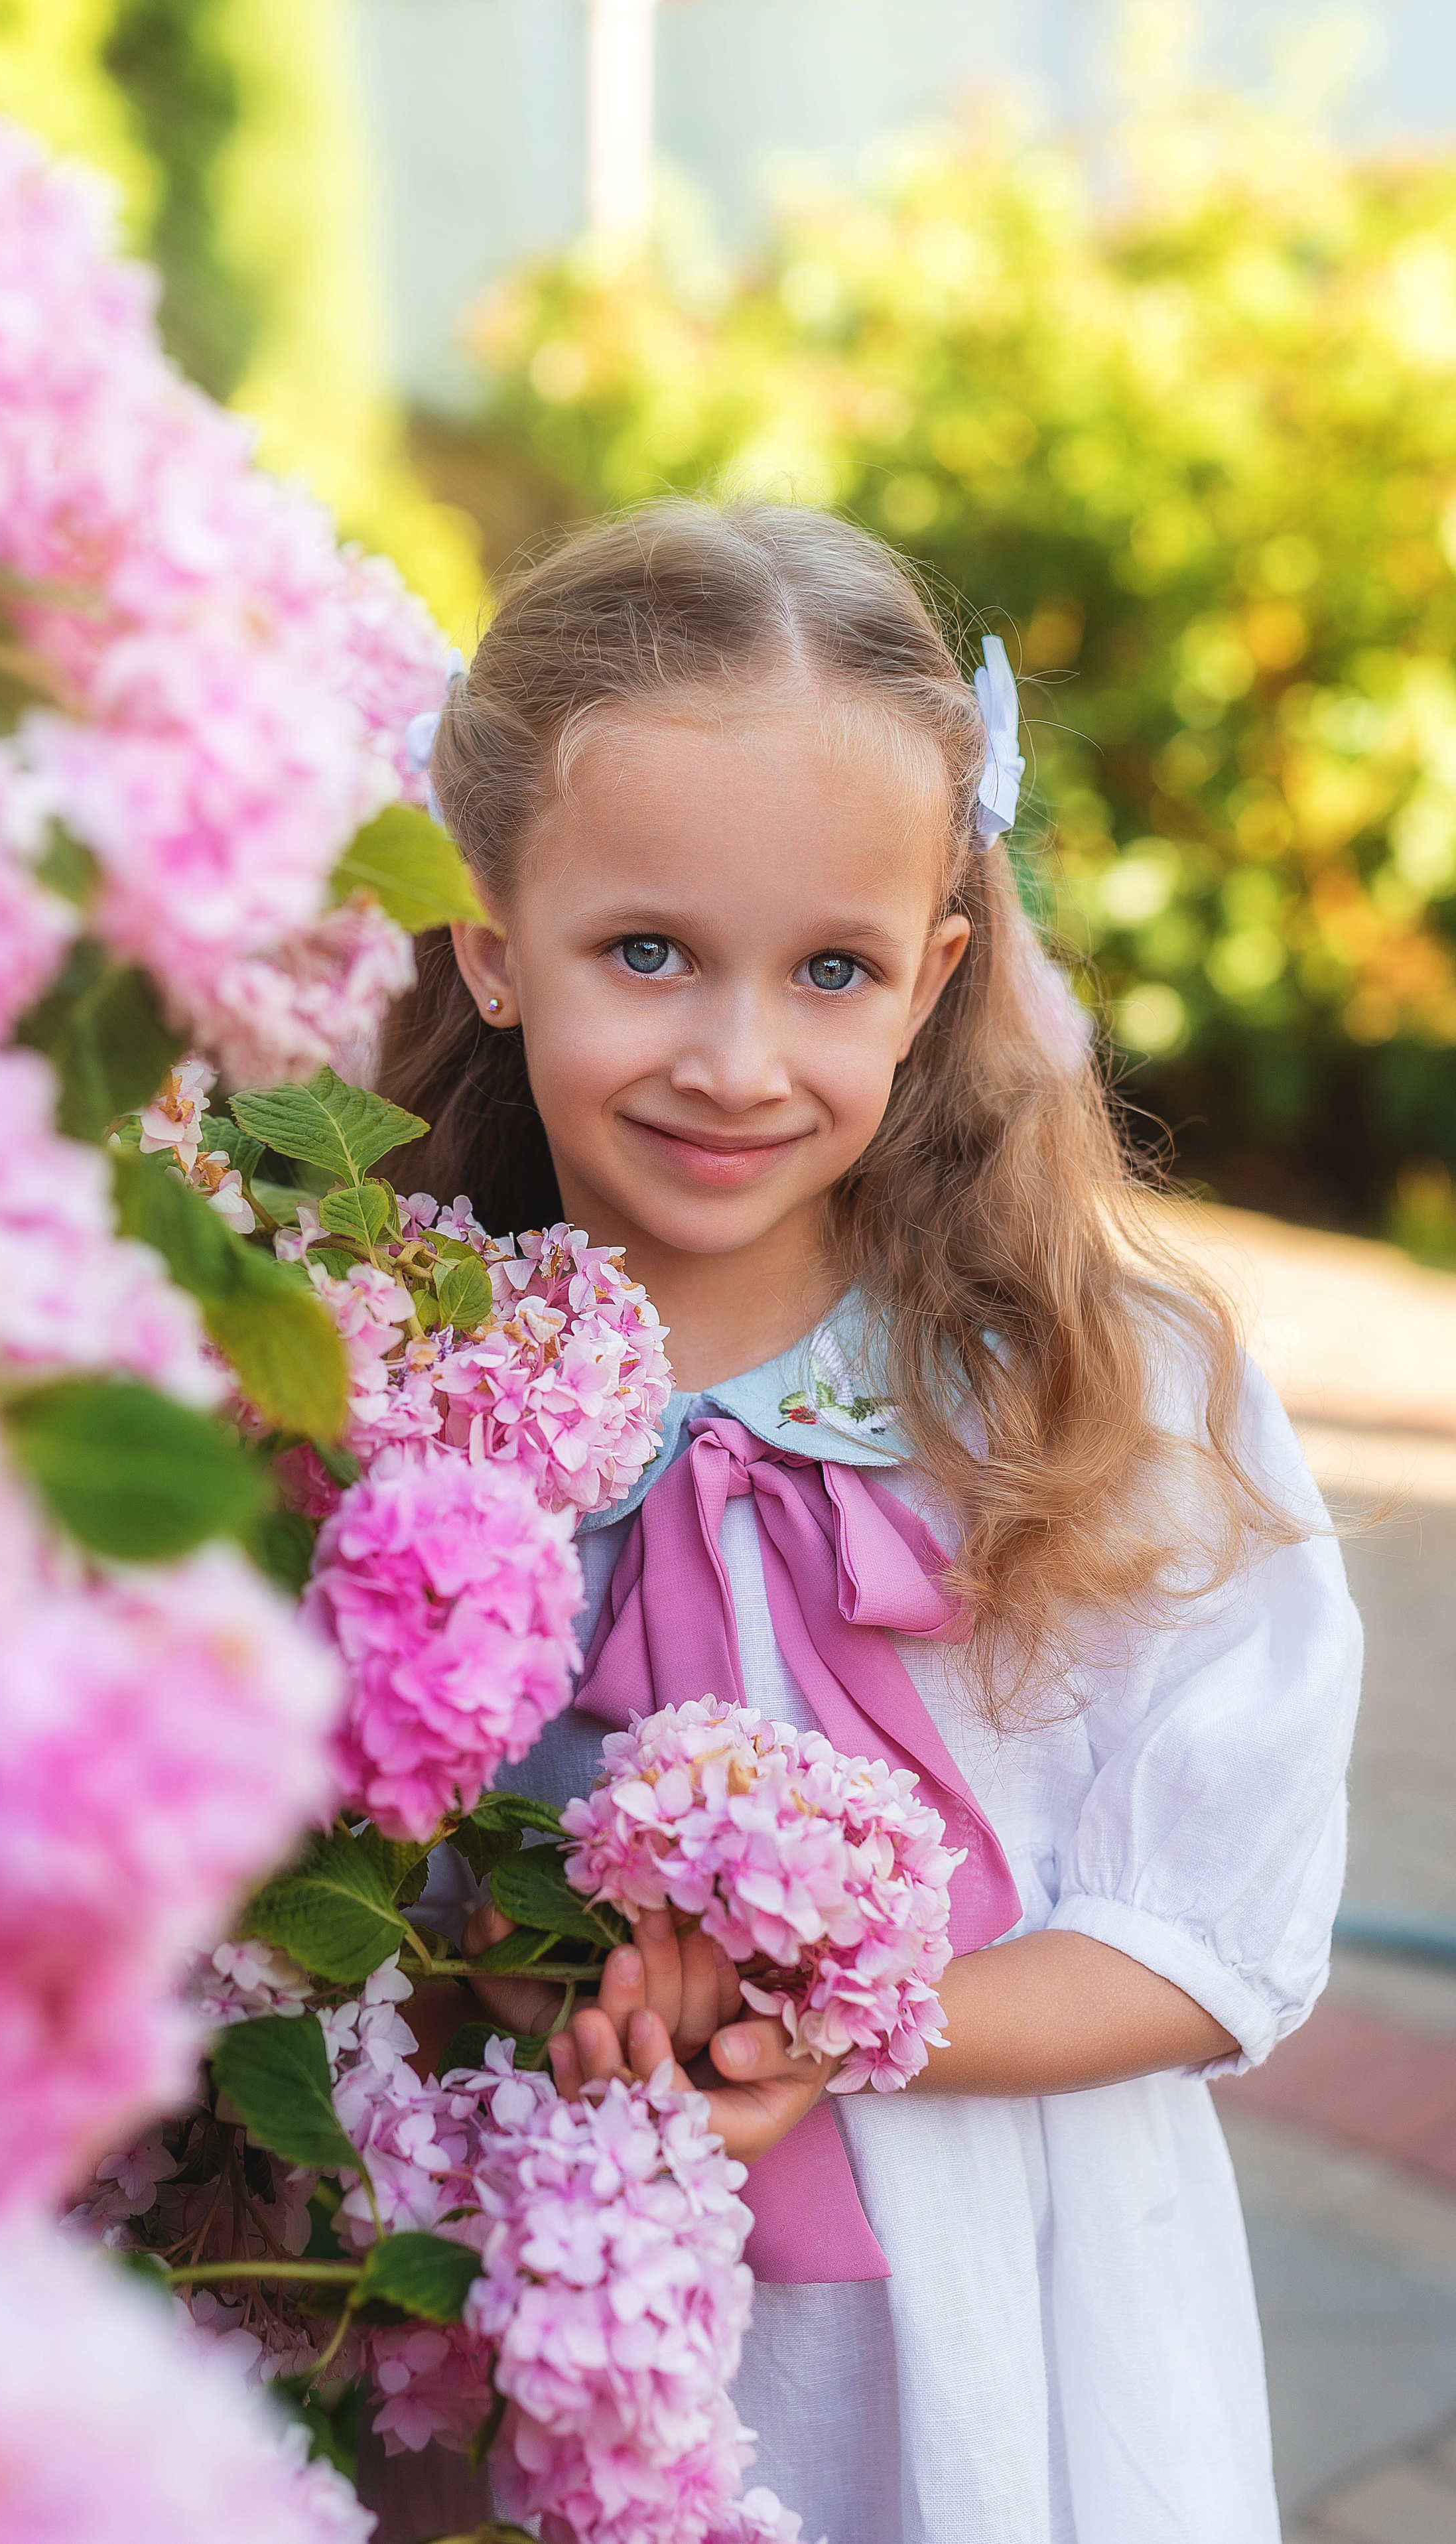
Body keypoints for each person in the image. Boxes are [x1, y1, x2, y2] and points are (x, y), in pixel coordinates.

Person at [380, 501, 1362, 2544]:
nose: (737, 1058)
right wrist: (526, 1985)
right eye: (647, 951)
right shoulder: (401, 1396)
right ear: (489, 939)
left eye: (830, 968)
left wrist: (837, 2022)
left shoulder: (1095, 1398)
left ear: (933, 977)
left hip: (998, 2346)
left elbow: (1215, 1922)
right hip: (528, 2330)